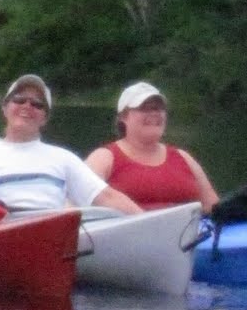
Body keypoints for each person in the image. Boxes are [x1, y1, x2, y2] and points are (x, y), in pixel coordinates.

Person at [0, 73, 140, 214]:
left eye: (37, 104)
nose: (27, 106)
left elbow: (107, 198)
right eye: (19, 100)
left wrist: (152, 222)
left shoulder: (63, 158)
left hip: (50, 238)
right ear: (5, 107)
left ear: (45, 118)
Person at [84, 80, 219, 212]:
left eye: (158, 108)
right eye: (144, 108)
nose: (154, 113)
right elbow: (75, 201)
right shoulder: (104, 157)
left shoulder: (183, 157)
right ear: (123, 117)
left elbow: (214, 208)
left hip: (188, 232)